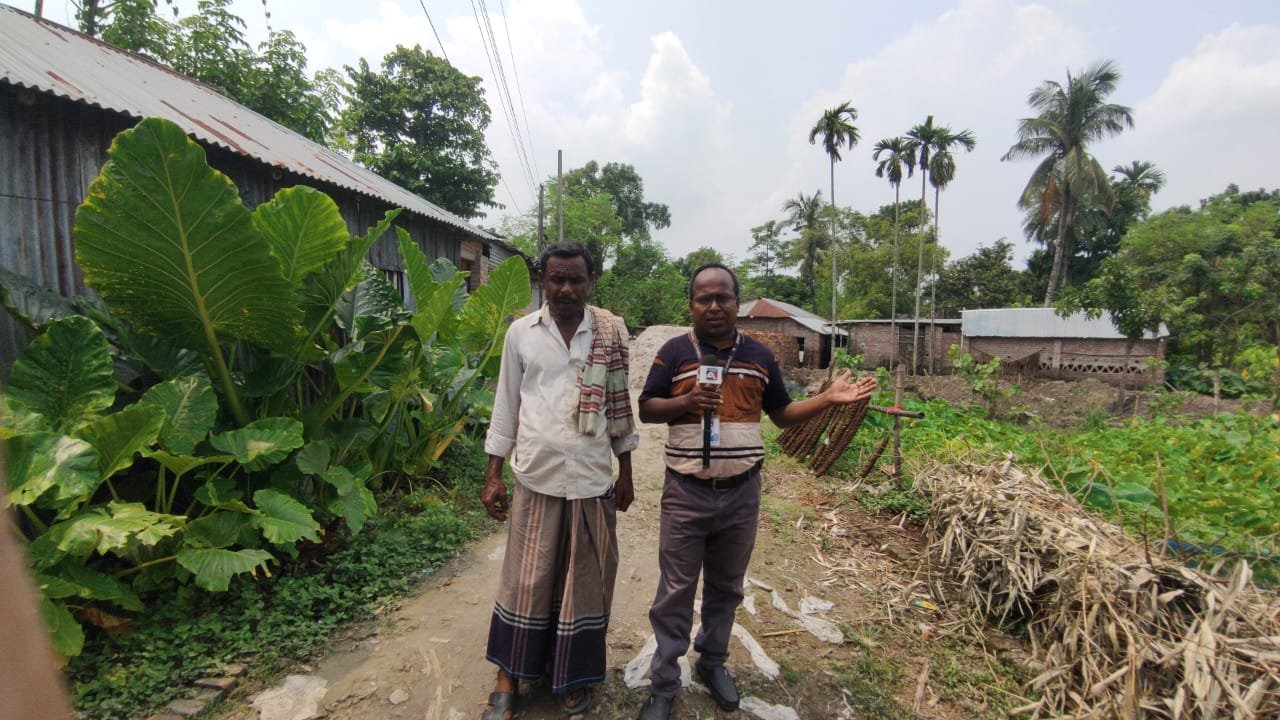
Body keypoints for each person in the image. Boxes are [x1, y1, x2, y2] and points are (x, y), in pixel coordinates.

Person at [634, 263, 877, 720]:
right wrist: (686, 401)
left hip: (741, 493)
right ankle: (664, 683)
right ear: (691, 305)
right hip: (686, 491)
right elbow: (647, 409)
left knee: (726, 586)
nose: (713, 306)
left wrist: (827, 399)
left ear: (736, 303)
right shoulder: (673, 352)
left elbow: (781, 415)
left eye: (722, 297)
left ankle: (712, 662)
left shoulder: (760, 356)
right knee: (675, 590)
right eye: (703, 298)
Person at [479, 242, 638, 720]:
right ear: (542, 281)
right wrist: (493, 475)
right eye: (556, 279)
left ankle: (571, 676)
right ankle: (508, 674)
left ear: (590, 282)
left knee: (584, 583)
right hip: (537, 477)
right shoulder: (521, 333)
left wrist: (626, 471)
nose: (566, 288)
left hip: (590, 481)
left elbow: (619, 408)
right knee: (525, 581)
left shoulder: (609, 333)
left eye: (575, 279)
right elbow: (506, 405)